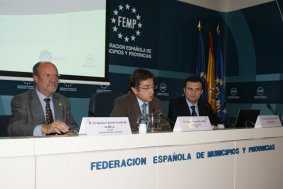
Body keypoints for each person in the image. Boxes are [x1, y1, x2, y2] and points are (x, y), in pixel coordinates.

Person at [8, 61, 79, 136]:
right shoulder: (22, 100)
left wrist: (70, 134)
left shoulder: (63, 100)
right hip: (34, 146)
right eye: (48, 75)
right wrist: (43, 129)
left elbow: (74, 128)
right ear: (36, 78)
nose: (53, 80)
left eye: (56, 76)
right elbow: (14, 128)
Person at [110, 68, 171, 133]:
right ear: (134, 90)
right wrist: (143, 131)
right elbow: (115, 127)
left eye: (152, 87)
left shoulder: (156, 102)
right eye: (146, 88)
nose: (152, 92)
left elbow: (167, 126)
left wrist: (153, 130)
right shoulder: (123, 102)